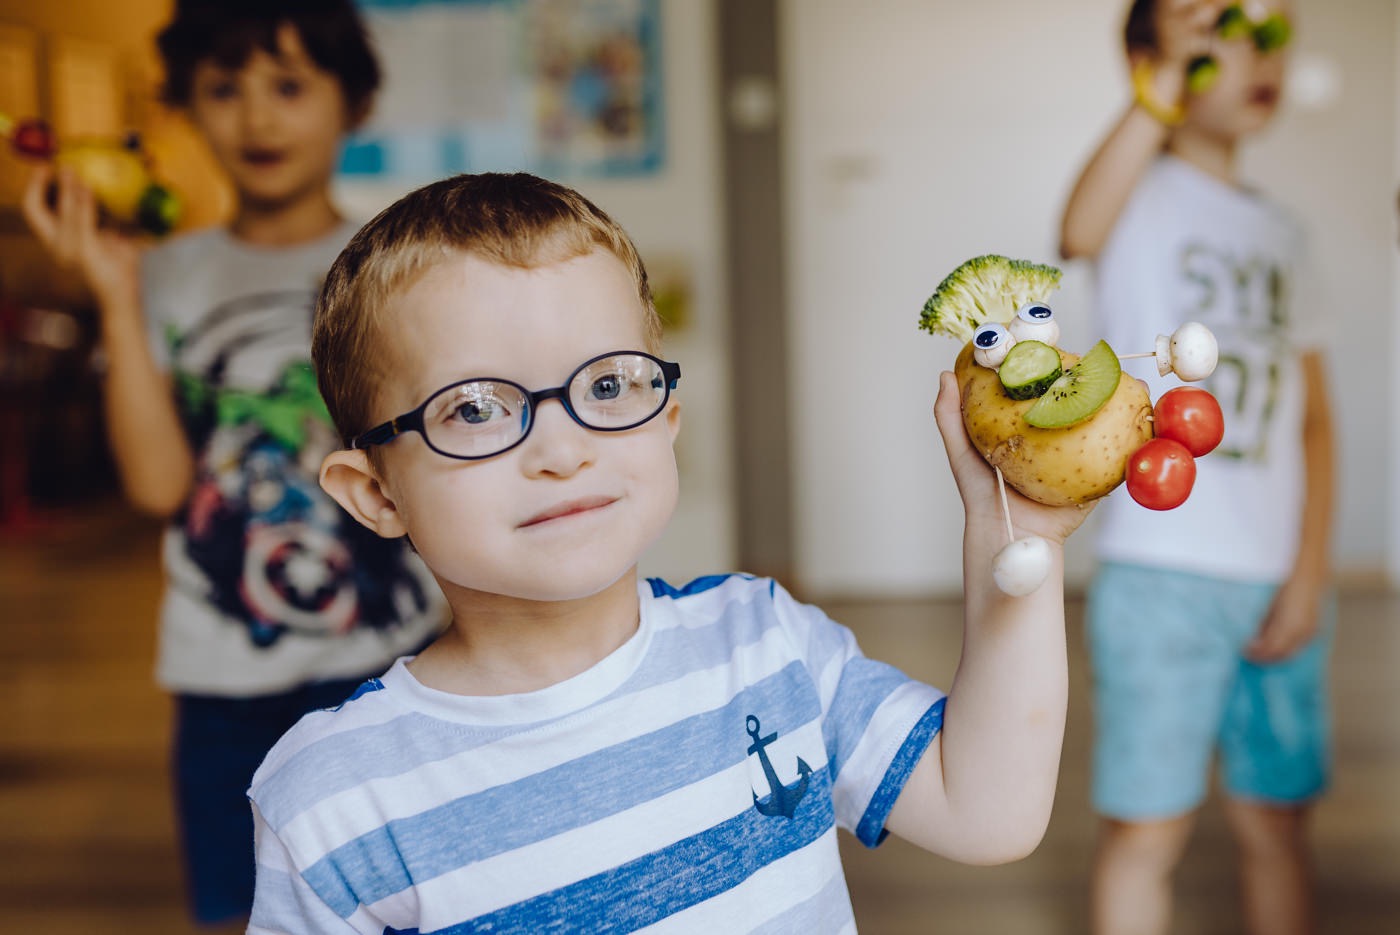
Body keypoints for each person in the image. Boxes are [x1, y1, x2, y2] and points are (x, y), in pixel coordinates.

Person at [245, 171, 1092, 932]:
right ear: (376, 493)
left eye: (607, 386)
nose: (563, 448)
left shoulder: (768, 644)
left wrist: (1018, 537)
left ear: (666, 422)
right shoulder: (332, 801)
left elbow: (990, 812)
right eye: (475, 408)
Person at [20, 1, 445, 927]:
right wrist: (116, 299)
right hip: (222, 687)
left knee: (420, 905)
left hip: (395, 663)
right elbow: (158, 487)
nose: (257, 117)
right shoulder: (161, 274)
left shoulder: (401, 265)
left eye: (289, 86)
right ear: (187, 106)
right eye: (224, 89)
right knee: (244, 911)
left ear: (352, 102)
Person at [1058, 2, 1335, 934]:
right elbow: (1076, 231)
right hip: (1158, 574)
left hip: (1273, 576)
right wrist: (1161, 85)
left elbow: (1316, 423)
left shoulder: (1288, 234)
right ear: (1157, 56)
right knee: (1145, 830)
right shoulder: (1138, 196)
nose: (1262, 55)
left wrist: (1308, 572)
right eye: (1228, 25)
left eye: (1273, 32)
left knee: (1277, 820)